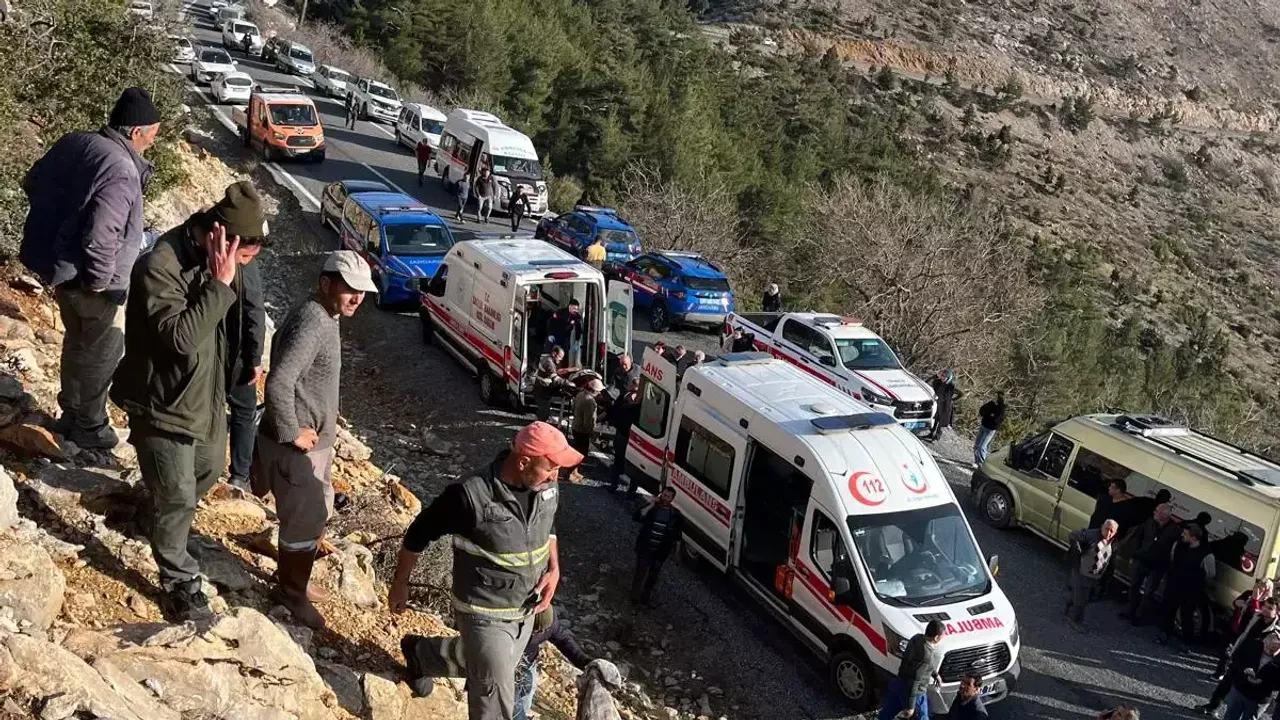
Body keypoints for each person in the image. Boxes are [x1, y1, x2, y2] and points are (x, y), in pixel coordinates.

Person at [111, 181, 266, 621]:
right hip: (161, 400)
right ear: (219, 237)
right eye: (244, 256)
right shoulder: (160, 266)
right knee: (178, 495)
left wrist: (247, 362)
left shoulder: (223, 261)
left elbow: (245, 313)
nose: (245, 266)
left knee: (208, 468)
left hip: (206, 395)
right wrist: (219, 284)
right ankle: (178, 579)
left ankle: (157, 517)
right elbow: (180, 338)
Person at [391, 421, 577, 720]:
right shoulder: (469, 496)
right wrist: (401, 583)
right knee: (494, 698)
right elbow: (417, 534)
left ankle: (422, 655)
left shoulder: (545, 486)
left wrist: (554, 568)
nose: (556, 476)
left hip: (525, 609)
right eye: (551, 467)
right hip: (484, 612)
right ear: (523, 462)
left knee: (488, 663)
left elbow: (547, 524)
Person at [21, 87, 161, 450]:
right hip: (95, 281)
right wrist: (100, 281)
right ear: (136, 131)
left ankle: (70, 415)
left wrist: (60, 229)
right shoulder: (121, 168)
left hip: (62, 270)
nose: (152, 142)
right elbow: (102, 233)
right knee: (101, 355)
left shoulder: (74, 142)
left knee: (76, 344)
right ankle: (90, 426)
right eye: (152, 134)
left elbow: (32, 182)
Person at [254, 250, 375, 629]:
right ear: (326, 283)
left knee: (314, 515)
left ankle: (296, 581)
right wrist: (291, 431)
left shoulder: (321, 313)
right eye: (351, 289)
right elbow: (278, 381)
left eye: (363, 291)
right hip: (297, 448)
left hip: (312, 443)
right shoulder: (314, 322)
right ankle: (291, 594)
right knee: (303, 521)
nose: (358, 298)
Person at [223, 234, 265, 491]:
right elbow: (253, 309)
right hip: (234, 353)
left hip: (210, 350)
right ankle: (239, 475)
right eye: (247, 255)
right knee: (244, 411)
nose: (248, 260)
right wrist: (255, 357)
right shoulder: (243, 267)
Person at [1199, 598, 1280, 715]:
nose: (1265, 610)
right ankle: (1213, 707)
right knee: (1226, 682)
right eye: (1265, 606)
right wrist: (1235, 648)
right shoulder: (1257, 617)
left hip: (1254, 666)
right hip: (1241, 657)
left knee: (1244, 693)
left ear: (1277, 612)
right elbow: (1244, 632)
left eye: (1270, 608)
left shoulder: (1276, 631)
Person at [514, 607, 594, 720]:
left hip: (528, 661)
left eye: (542, 630)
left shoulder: (550, 620)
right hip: (506, 665)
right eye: (535, 630)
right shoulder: (512, 622)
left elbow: (563, 641)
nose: (539, 633)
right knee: (513, 706)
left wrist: (585, 662)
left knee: (528, 689)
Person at [1122, 502, 1181, 624]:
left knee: (1148, 592)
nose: (1154, 512)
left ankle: (1139, 616)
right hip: (1142, 559)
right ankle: (1130, 610)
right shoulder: (1149, 522)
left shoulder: (1175, 530)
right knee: (1134, 585)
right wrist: (1135, 553)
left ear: (1164, 515)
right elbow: (1140, 537)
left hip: (1157, 565)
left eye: (1157, 511)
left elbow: (1175, 550)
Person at [1158, 524, 1215, 652]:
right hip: (1174, 585)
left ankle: (1186, 642)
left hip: (1191, 589)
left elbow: (1210, 573)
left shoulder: (1205, 554)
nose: (1182, 535)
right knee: (1169, 610)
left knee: (1187, 616)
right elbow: (1172, 558)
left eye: (1185, 534)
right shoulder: (1179, 546)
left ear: (1193, 538)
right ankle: (1165, 634)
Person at [878, 620, 945, 720]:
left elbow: (921, 665)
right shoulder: (926, 654)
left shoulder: (916, 638)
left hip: (899, 682)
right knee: (922, 717)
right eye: (942, 636)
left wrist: (935, 674)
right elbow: (915, 680)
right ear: (936, 637)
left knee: (887, 713)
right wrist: (910, 706)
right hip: (916, 692)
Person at [632, 487, 684, 606]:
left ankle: (645, 598)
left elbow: (678, 536)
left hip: (660, 552)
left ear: (672, 499)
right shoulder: (652, 508)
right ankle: (634, 598)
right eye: (664, 495)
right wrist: (651, 505)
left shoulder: (675, 515)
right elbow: (637, 516)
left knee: (653, 577)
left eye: (668, 497)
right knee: (640, 573)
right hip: (645, 547)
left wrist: (677, 554)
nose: (665, 498)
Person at [1065, 519, 1118, 630]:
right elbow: (1073, 535)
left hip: (1095, 576)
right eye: (1107, 529)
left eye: (1112, 531)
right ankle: (1075, 621)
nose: (1108, 533)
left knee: (1082, 596)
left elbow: (1110, 560)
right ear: (1102, 527)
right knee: (1081, 599)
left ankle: (1069, 608)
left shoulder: (1113, 542)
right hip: (1082, 572)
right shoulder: (1091, 535)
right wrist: (1079, 551)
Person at [1219, 632, 1280, 720]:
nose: (1268, 652)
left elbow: (1278, 684)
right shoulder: (1252, 645)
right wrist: (1244, 669)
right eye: (1266, 647)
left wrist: (1264, 681)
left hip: (1259, 697)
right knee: (1230, 716)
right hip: (1240, 688)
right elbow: (1236, 658)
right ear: (1264, 641)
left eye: (1273, 650)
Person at [569, 378, 604, 483]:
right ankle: (571, 473)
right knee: (580, 453)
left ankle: (574, 471)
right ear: (594, 391)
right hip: (582, 430)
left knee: (576, 449)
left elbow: (573, 409)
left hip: (575, 426)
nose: (599, 393)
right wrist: (592, 433)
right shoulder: (590, 402)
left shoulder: (580, 394)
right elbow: (589, 421)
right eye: (598, 391)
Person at [609, 382, 640, 493]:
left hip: (622, 434)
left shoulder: (622, 398)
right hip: (634, 438)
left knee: (618, 461)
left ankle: (614, 486)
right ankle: (631, 492)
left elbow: (613, 412)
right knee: (635, 466)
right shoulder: (641, 404)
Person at [533, 346, 569, 422]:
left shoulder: (547, 359)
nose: (561, 359)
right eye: (560, 357)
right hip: (542, 392)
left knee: (543, 411)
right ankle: (539, 426)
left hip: (542, 389)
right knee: (543, 415)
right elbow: (555, 378)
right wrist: (568, 383)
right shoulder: (549, 363)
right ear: (554, 354)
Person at [927, 370, 962, 442]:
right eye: (942, 376)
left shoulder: (950, 386)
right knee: (936, 419)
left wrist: (952, 400)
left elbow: (961, 394)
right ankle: (931, 434)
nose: (942, 377)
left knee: (941, 421)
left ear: (948, 378)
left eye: (944, 376)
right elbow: (931, 383)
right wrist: (935, 376)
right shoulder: (939, 382)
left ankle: (936, 437)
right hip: (939, 404)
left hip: (945, 406)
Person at [973, 392, 1006, 466]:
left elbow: (997, 419)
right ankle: (977, 462)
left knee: (982, 447)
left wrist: (990, 414)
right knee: (976, 446)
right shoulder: (990, 404)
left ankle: (982, 464)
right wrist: (990, 413)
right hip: (983, 426)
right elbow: (982, 411)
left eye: (996, 396)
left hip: (990, 429)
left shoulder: (1001, 408)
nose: (994, 397)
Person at [547, 300, 583, 367]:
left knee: (564, 354)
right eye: (574, 308)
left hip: (566, 337)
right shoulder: (560, 312)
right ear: (570, 306)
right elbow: (551, 322)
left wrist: (577, 341)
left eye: (576, 309)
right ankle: (550, 367)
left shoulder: (577, 317)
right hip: (555, 335)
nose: (575, 311)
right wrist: (550, 334)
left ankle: (563, 368)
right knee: (552, 352)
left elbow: (578, 329)